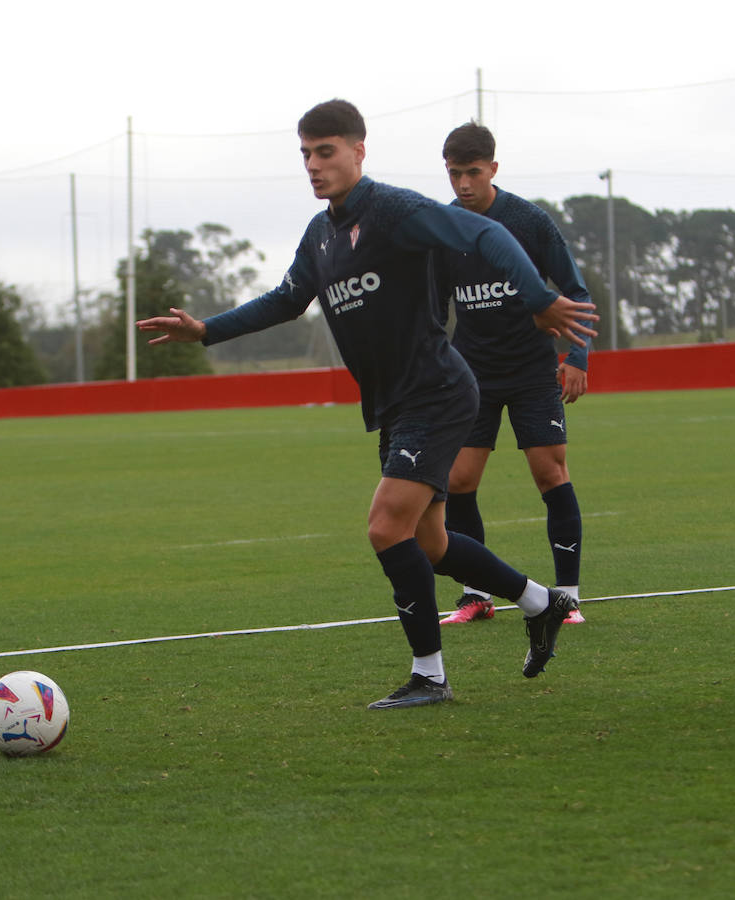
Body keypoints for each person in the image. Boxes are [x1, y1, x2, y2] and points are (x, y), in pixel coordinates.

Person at [137, 100, 596, 709]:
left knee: (385, 528)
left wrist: (538, 296)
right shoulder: (321, 234)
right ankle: (542, 602)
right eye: (305, 153)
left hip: (437, 392)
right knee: (430, 544)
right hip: (396, 403)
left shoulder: (395, 211)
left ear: (359, 150)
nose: (313, 164)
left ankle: (429, 677)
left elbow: (485, 231)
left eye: (325, 151)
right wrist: (207, 331)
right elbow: (285, 299)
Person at [434, 123, 591, 627]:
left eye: (472, 173)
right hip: (470, 375)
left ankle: (566, 597)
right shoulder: (442, 226)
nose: (462, 184)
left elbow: (577, 292)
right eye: (454, 174)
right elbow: (434, 311)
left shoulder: (529, 221)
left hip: (531, 370)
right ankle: (475, 594)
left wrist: (578, 358)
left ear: (493, 169)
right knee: (458, 480)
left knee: (550, 474)